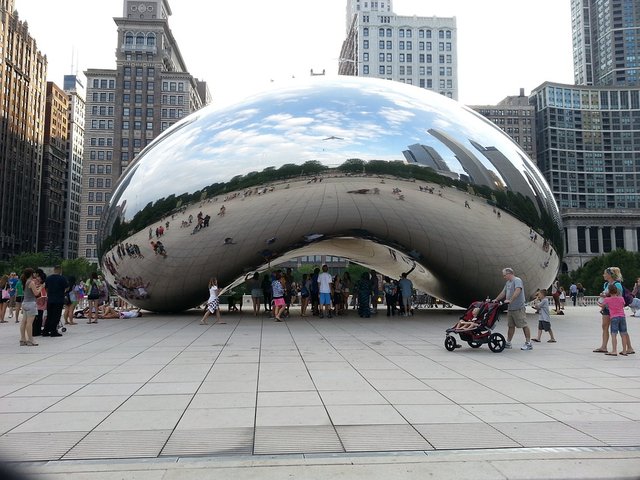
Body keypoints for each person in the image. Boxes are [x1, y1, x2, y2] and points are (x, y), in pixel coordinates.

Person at [593, 267, 635, 354]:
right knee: (604, 326)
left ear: (610, 275)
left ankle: (629, 347)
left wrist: (606, 296)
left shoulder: (617, 284)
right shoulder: (606, 284)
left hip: (614, 310)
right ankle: (604, 347)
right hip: (606, 309)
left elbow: (617, 298)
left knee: (621, 329)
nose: (603, 275)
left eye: (605, 273)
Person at [493, 267, 532, 350]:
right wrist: (496, 299)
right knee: (511, 326)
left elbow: (518, 290)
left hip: (518, 308)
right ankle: (508, 342)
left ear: (509, 274)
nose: (504, 277)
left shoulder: (517, 280)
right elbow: (503, 292)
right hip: (510, 308)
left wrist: (510, 300)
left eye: (504, 275)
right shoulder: (508, 283)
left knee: (523, 325)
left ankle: (528, 343)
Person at [600, 283, 630, 356]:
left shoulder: (607, 299)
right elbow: (623, 305)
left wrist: (599, 304)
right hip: (622, 317)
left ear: (609, 292)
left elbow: (602, 305)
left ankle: (614, 350)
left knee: (614, 334)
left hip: (614, 317)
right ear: (617, 291)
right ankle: (624, 351)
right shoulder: (621, 298)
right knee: (623, 334)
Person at [19, 268, 42, 346]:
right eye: (34, 273)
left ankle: (22, 339)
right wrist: (41, 288)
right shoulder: (31, 282)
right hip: (31, 304)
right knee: (29, 322)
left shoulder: (24, 281)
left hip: (25, 303)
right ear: (31, 274)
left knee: (24, 322)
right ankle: (30, 339)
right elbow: (36, 293)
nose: (35, 274)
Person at [44, 265, 68, 337]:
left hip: (50, 299)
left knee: (49, 315)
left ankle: (46, 330)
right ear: (60, 270)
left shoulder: (48, 278)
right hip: (58, 299)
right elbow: (67, 287)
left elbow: (46, 288)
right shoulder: (62, 278)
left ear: (54, 270)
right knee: (56, 316)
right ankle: (53, 331)